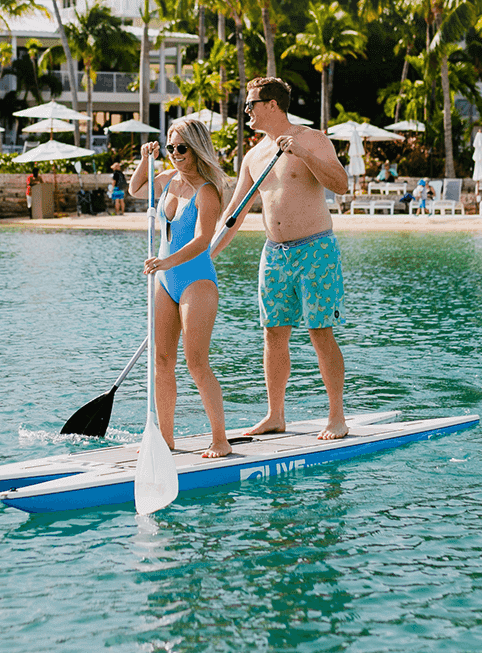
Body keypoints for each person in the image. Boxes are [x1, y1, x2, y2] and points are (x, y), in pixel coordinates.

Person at [150, 76, 352, 440]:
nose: (246, 111)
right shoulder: (254, 155)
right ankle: (276, 415)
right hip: (274, 253)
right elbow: (233, 215)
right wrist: (203, 258)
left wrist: (303, 155)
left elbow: (341, 183)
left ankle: (336, 416)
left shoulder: (312, 140)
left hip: (315, 249)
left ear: (272, 105)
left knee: (320, 331)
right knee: (273, 334)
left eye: (251, 104)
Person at [127, 118, 234, 458]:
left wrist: (166, 263)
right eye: (171, 148)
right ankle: (167, 440)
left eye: (182, 149)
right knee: (161, 360)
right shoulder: (168, 179)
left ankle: (221, 439)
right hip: (164, 280)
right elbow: (135, 189)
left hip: (196, 280)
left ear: (197, 148)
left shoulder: (208, 191)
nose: (175, 154)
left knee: (196, 362)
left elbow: (203, 240)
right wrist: (147, 158)